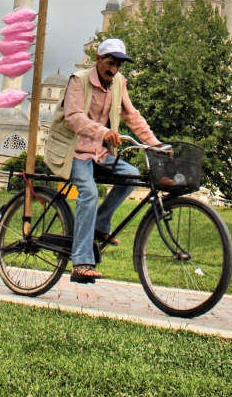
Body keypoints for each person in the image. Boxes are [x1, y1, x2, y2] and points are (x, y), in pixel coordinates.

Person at [44, 38, 160, 284]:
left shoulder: (118, 83)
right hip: (72, 151)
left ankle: (99, 225)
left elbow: (132, 116)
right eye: (110, 63)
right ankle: (81, 262)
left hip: (98, 152)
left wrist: (156, 144)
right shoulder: (79, 80)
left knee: (129, 176)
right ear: (98, 60)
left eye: (118, 65)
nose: (113, 70)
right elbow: (73, 117)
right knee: (88, 192)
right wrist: (102, 131)